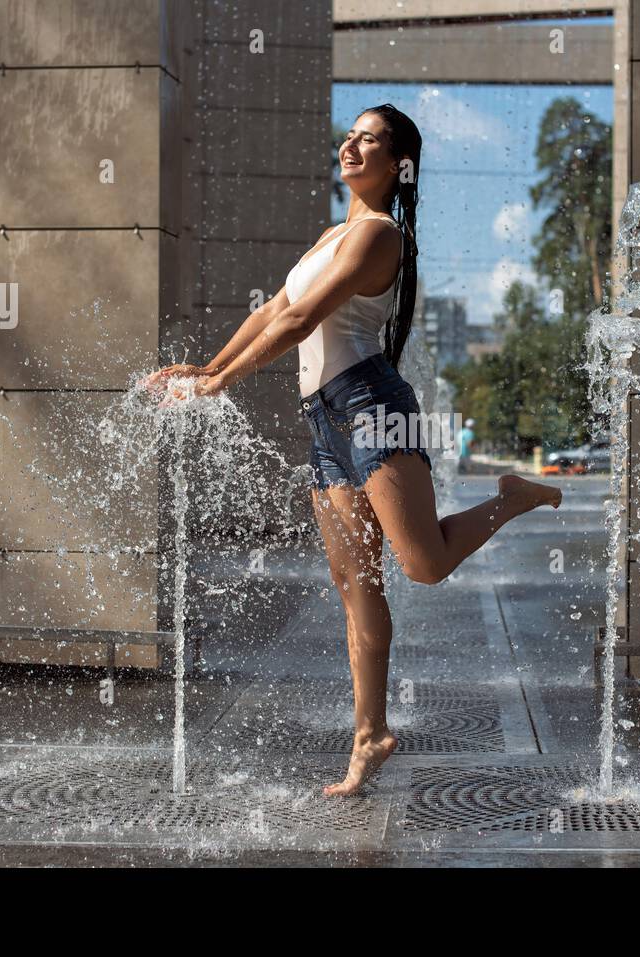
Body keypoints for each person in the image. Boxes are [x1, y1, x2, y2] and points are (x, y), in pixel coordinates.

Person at [143, 105, 561, 796]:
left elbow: (307, 319)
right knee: (354, 584)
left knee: (422, 564)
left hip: (372, 408)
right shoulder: (329, 236)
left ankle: (511, 498)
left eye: (369, 139)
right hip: (324, 418)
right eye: (350, 135)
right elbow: (276, 311)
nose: (351, 144)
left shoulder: (378, 236)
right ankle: (370, 734)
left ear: (397, 164)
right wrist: (203, 368)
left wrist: (220, 383)